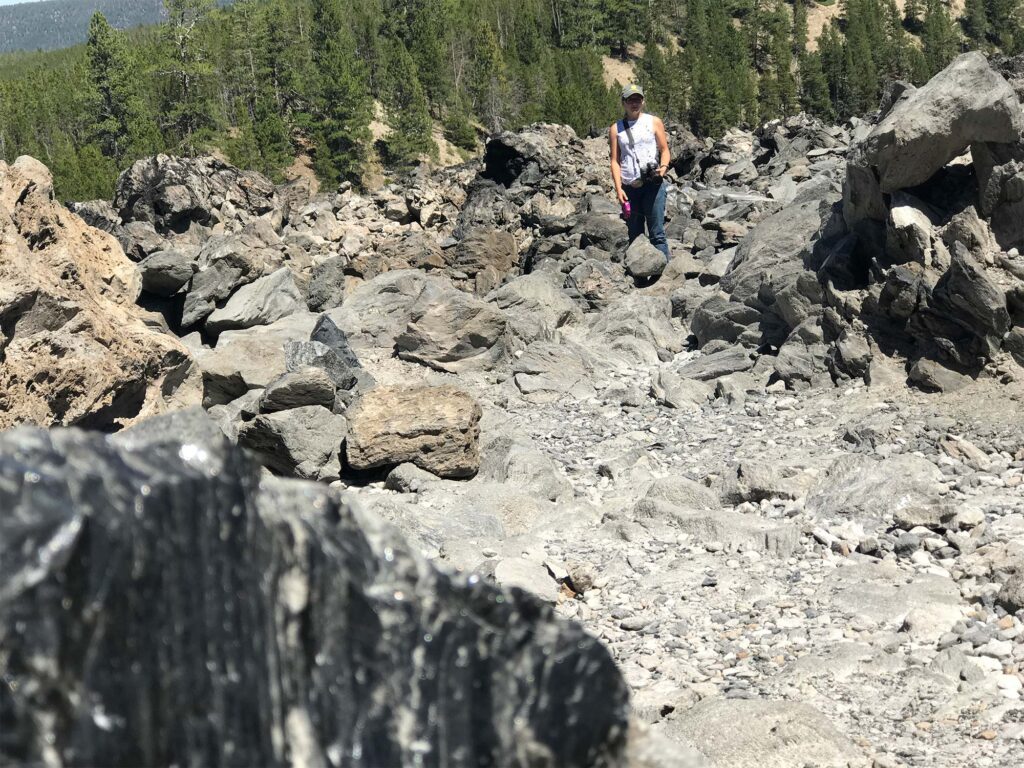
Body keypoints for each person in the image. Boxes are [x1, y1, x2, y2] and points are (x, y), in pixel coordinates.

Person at [609, 83, 671, 260]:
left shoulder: (653, 122)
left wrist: (663, 169)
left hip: (653, 184)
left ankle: (663, 276)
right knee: (635, 235)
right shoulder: (616, 129)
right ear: (623, 102)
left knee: (657, 233)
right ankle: (639, 275)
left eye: (637, 99)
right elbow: (615, 160)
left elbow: (664, 150)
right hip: (630, 187)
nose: (634, 103)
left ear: (643, 101)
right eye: (630, 100)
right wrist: (618, 188)